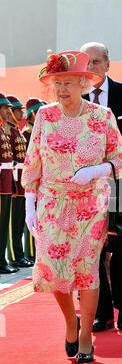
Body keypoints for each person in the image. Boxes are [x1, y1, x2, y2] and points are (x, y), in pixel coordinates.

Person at [22, 50, 122, 363]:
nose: (62, 89)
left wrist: (96, 171)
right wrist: (30, 205)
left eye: (69, 83)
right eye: (58, 84)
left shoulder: (101, 116)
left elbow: (121, 162)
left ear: (83, 83)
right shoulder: (44, 116)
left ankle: (85, 336)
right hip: (52, 203)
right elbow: (32, 163)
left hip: (90, 205)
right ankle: (71, 322)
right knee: (54, 270)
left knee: (87, 269)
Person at [80, 42, 122, 331]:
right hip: (85, 187)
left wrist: (113, 171)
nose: (91, 67)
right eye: (86, 62)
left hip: (120, 185)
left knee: (121, 245)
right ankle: (101, 312)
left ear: (107, 64)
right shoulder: (74, 96)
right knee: (91, 249)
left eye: (96, 61)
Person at [4, 95, 32, 268]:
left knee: (20, 221)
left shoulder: (16, 131)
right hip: (13, 181)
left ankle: (19, 254)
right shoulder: (8, 131)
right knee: (13, 223)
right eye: (17, 110)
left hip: (21, 182)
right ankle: (14, 255)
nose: (20, 113)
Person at [22, 98, 47, 263]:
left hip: (44, 178)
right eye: (38, 111)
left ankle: (38, 249)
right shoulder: (27, 132)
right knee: (31, 217)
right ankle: (30, 252)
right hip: (33, 178)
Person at [0, 93, 18, 274]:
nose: (8, 112)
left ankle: (2, 259)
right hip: (0, 185)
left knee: (4, 224)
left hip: (5, 184)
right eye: (5, 108)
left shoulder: (2, 130)